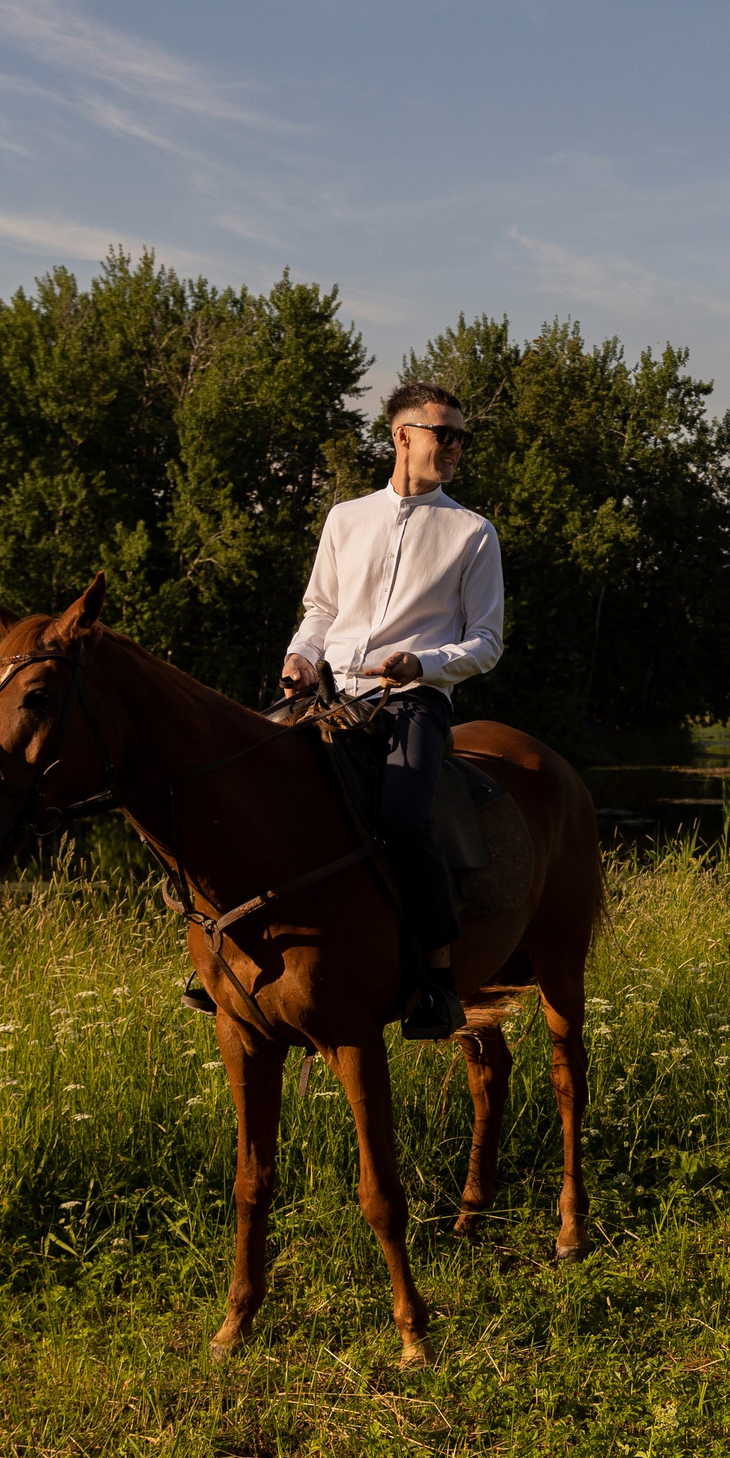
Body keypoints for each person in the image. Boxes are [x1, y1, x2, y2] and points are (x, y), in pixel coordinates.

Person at [280, 381, 506, 1038]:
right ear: (403, 436)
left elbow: (488, 644)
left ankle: (436, 979)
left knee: (406, 818)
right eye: (446, 434)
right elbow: (320, 611)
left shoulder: (473, 533)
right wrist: (300, 657)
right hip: (333, 696)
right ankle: (234, 952)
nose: (457, 447)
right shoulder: (345, 518)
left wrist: (424, 664)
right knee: (252, 784)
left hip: (413, 702)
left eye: (462, 437)